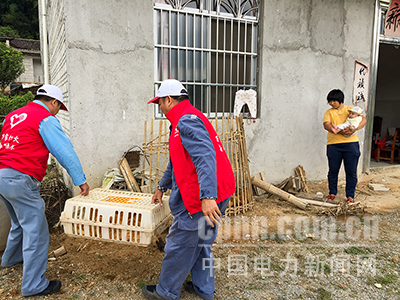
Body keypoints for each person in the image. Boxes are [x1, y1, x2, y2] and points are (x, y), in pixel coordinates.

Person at [142, 79, 236, 300]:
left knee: (180, 244)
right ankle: (204, 288)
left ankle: (166, 292)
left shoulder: (185, 121)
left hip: (202, 197)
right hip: (219, 190)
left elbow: (205, 156)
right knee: (202, 242)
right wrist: (161, 186)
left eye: (160, 103)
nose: (160, 108)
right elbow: (176, 161)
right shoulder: (189, 117)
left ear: (169, 99)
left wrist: (208, 196)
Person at [0, 84, 89, 297]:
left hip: (2, 175)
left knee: (19, 223)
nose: (57, 111)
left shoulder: (13, 115)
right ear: (53, 102)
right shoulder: (45, 118)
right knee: (37, 231)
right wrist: (81, 180)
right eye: (59, 107)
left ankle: (10, 259)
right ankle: (33, 285)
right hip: (21, 178)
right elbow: (64, 152)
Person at [323, 89, 366, 203]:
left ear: (340, 100)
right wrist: (338, 130)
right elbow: (326, 124)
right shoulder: (329, 112)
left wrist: (354, 129)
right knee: (333, 170)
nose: (331, 103)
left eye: (333, 101)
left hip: (351, 145)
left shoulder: (351, 109)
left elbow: (363, 119)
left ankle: (350, 195)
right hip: (333, 145)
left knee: (351, 171)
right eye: (330, 101)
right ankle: (332, 193)